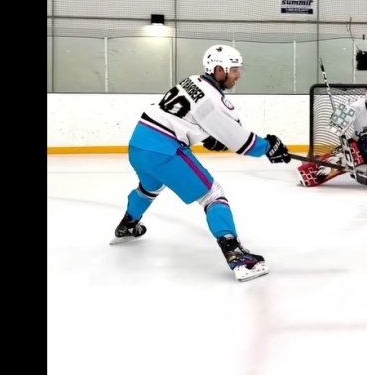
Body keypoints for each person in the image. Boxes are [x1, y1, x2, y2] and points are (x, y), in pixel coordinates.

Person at [112, 44, 291, 282]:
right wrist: (269, 147)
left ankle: (127, 225)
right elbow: (241, 142)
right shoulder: (214, 101)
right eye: (234, 70)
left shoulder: (192, 81)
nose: (238, 75)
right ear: (219, 70)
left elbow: (184, 115)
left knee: (149, 187)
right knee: (212, 195)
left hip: (138, 144)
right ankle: (236, 256)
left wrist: (208, 137)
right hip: (164, 151)